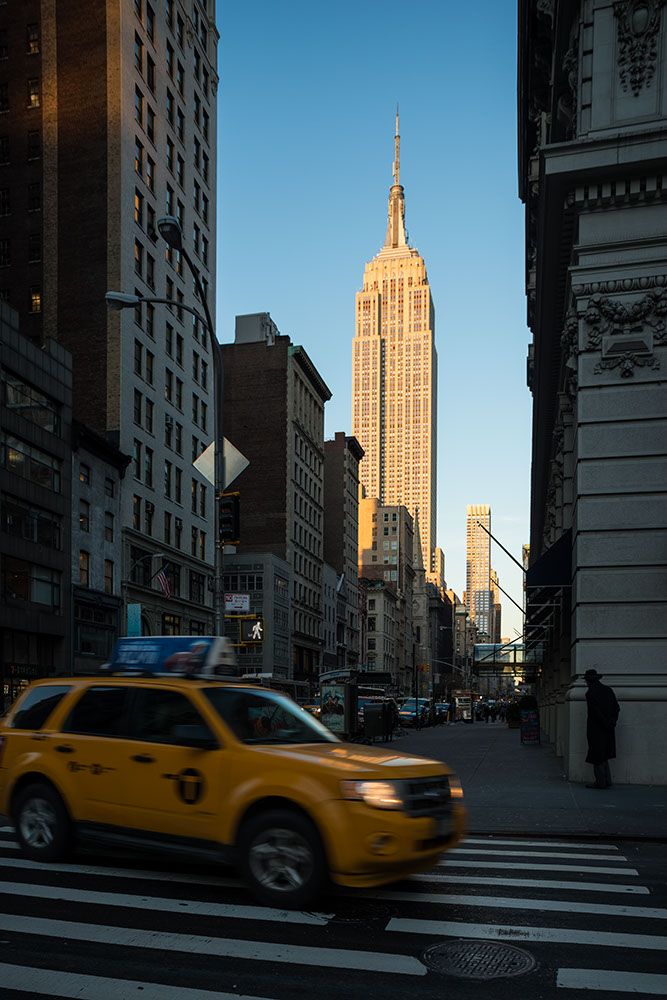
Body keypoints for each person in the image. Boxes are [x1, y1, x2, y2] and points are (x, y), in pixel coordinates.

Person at [584, 668, 620, 789]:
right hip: (609, 727)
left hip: (596, 728)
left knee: (597, 755)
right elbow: (616, 708)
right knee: (604, 754)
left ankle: (600, 782)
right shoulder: (608, 690)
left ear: (588, 681)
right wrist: (612, 722)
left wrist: (605, 723)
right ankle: (607, 780)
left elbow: (595, 712)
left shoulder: (590, 693)